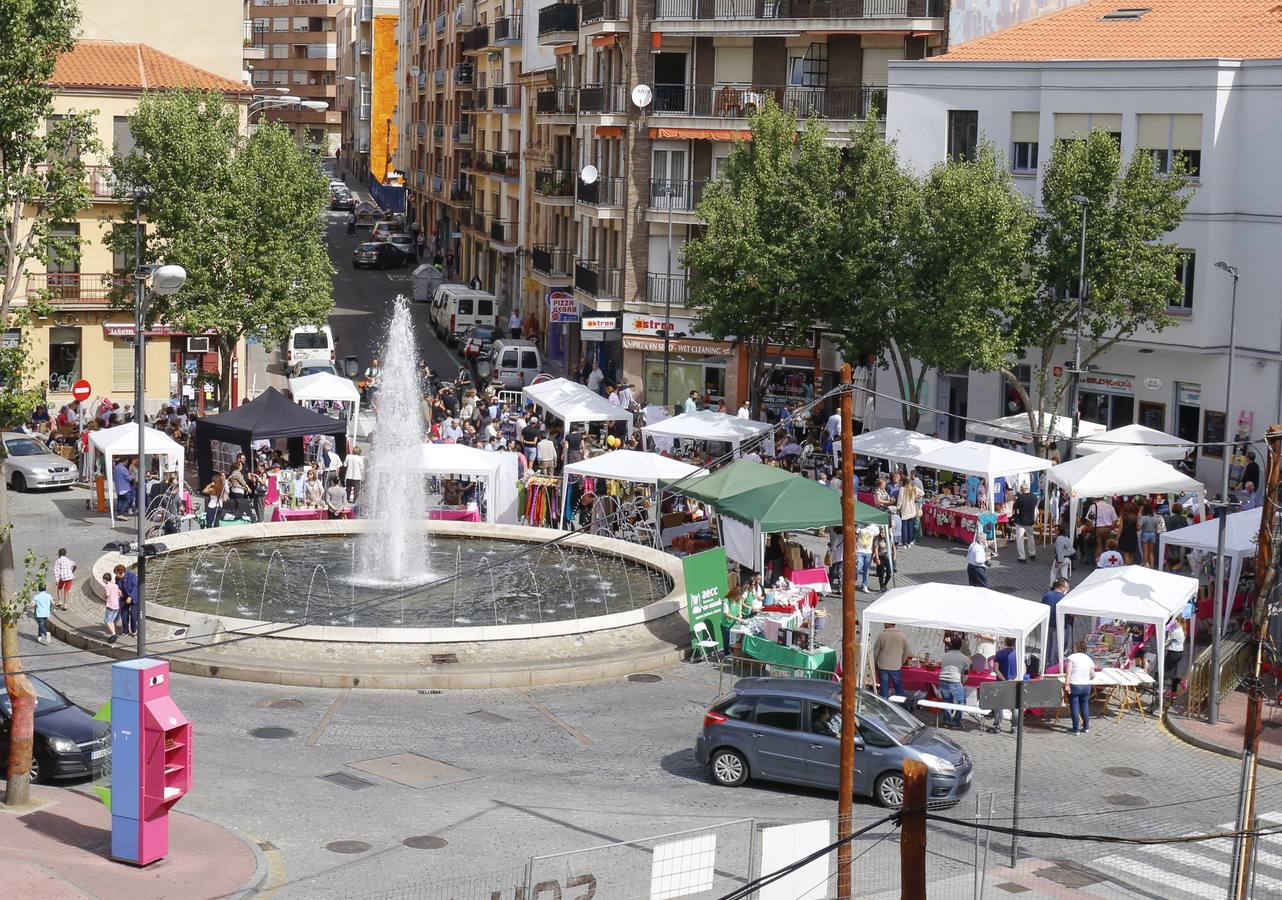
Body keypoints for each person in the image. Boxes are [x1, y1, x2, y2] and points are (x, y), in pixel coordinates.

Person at [937, 637, 970, 729]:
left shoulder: (945, 655)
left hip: (943, 679)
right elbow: (966, 674)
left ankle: (946, 721)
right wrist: (962, 683)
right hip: (955, 680)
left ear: (951, 644)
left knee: (947, 700)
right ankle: (956, 722)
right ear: (961, 645)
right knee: (961, 701)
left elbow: (943, 667)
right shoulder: (965, 658)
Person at [1064, 640, 1095, 734]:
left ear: (1076, 648)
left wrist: (1067, 683)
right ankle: (1086, 727)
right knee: (1085, 705)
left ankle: (1076, 728)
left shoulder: (1072, 657)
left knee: (1074, 706)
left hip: (1075, 685)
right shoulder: (1088, 659)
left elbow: (1068, 671)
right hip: (1086, 686)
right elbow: (1093, 675)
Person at [873, 623, 910, 699]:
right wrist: (901, 662)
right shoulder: (902, 636)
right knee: (898, 687)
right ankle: (901, 704)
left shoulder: (882, 635)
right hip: (896, 666)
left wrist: (874, 663)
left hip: (883, 665)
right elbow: (907, 652)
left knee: (884, 688)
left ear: (887, 624)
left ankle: (885, 705)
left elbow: (876, 652)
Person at [1042, 578, 1070, 666]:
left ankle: (1045, 663)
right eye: (1066, 587)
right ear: (1062, 587)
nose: (1067, 589)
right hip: (1060, 625)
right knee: (1056, 647)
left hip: (1048, 624)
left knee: (1048, 646)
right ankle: (1054, 666)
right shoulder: (1065, 598)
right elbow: (1069, 613)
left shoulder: (1047, 595)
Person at [1012, 482, 1039, 563]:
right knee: (1030, 537)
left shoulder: (1020, 498)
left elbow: (1015, 507)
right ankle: (1032, 553)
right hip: (1030, 520)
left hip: (1020, 520)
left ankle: (1022, 556)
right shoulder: (1034, 497)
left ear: (1021, 489)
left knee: (1020, 539)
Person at [114, 563, 138, 638]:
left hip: (133, 598)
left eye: (118, 574)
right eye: (116, 574)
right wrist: (119, 591)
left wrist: (130, 597)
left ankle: (134, 630)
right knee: (124, 615)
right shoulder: (117, 578)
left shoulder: (131, 576)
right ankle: (125, 630)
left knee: (134, 616)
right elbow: (117, 586)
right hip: (123, 598)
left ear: (123, 573)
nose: (117, 576)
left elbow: (135, 587)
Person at [895, 478, 921, 547]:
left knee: (904, 527)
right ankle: (909, 542)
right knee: (910, 526)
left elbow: (900, 500)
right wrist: (916, 497)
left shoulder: (902, 489)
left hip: (905, 510)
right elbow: (922, 493)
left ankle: (904, 543)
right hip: (912, 510)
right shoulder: (913, 488)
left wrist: (898, 508)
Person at [720, 586, 745, 655]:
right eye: (739, 596)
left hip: (734, 624)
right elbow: (726, 614)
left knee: (735, 641)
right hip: (726, 625)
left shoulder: (739, 600)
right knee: (727, 641)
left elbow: (739, 608)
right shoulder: (726, 601)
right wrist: (736, 618)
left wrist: (740, 615)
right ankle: (727, 655)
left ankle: (734, 653)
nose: (740, 597)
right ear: (735, 595)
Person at [1137, 501, 1160, 567]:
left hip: (1145, 534)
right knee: (1151, 552)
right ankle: (1152, 566)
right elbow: (1157, 527)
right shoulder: (1155, 517)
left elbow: (1139, 527)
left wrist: (1138, 520)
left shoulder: (1143, 518)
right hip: (1153, 534)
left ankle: (1146, 564)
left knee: (1145, 551)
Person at [855, 523, 876, 590]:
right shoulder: (860, 526)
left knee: (866, 570)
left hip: (868, 552)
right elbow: (855, 535)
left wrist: (874, 550)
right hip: (859, 551)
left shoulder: (874, 528)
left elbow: (876, 538)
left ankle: (865, 585)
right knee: (858, 568)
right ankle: (853, 581)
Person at [102, 571, 121, 643]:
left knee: (107, 620)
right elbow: (120, 593)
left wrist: (104, 595)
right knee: (111, 620)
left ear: (104, 579)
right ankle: (114, 634)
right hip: (116, 606)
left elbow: (107, 594)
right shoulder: (116, 585)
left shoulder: (107, 586)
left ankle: (114, 634)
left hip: (110, 605)